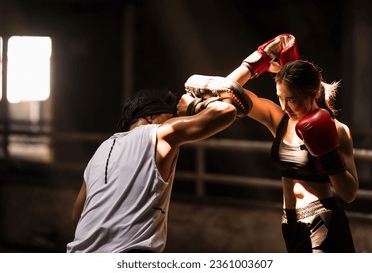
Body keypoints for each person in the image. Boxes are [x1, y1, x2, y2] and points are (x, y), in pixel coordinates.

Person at [66, 84, 251, 252]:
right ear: (151, 116)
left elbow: (78, 216)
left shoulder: (102, 149)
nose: (174, 120)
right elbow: (226, 111)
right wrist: (193, 106)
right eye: (170, 118)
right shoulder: (158, 134)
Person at [223, 34, 359, 252]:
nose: (285, 105)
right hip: (289, 223)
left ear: (313, 93)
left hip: (323, 220)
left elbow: (349, 194)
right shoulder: (278, 120)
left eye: (292, 99)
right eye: (280, 97)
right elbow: (226, 91)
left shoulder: (337, 129)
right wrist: (258, 60)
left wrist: (328, 156)